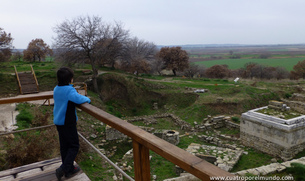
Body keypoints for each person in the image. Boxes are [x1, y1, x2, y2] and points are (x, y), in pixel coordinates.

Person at [53, 67, 91, 181]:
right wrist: (88, 99)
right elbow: (79, 99)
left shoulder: (56, 88)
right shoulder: (69, 90)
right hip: (68, 122)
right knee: (74, 146)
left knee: (65, 146)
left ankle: (69, 170)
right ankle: (63, 168)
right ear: (70, 79)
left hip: (59, 122)